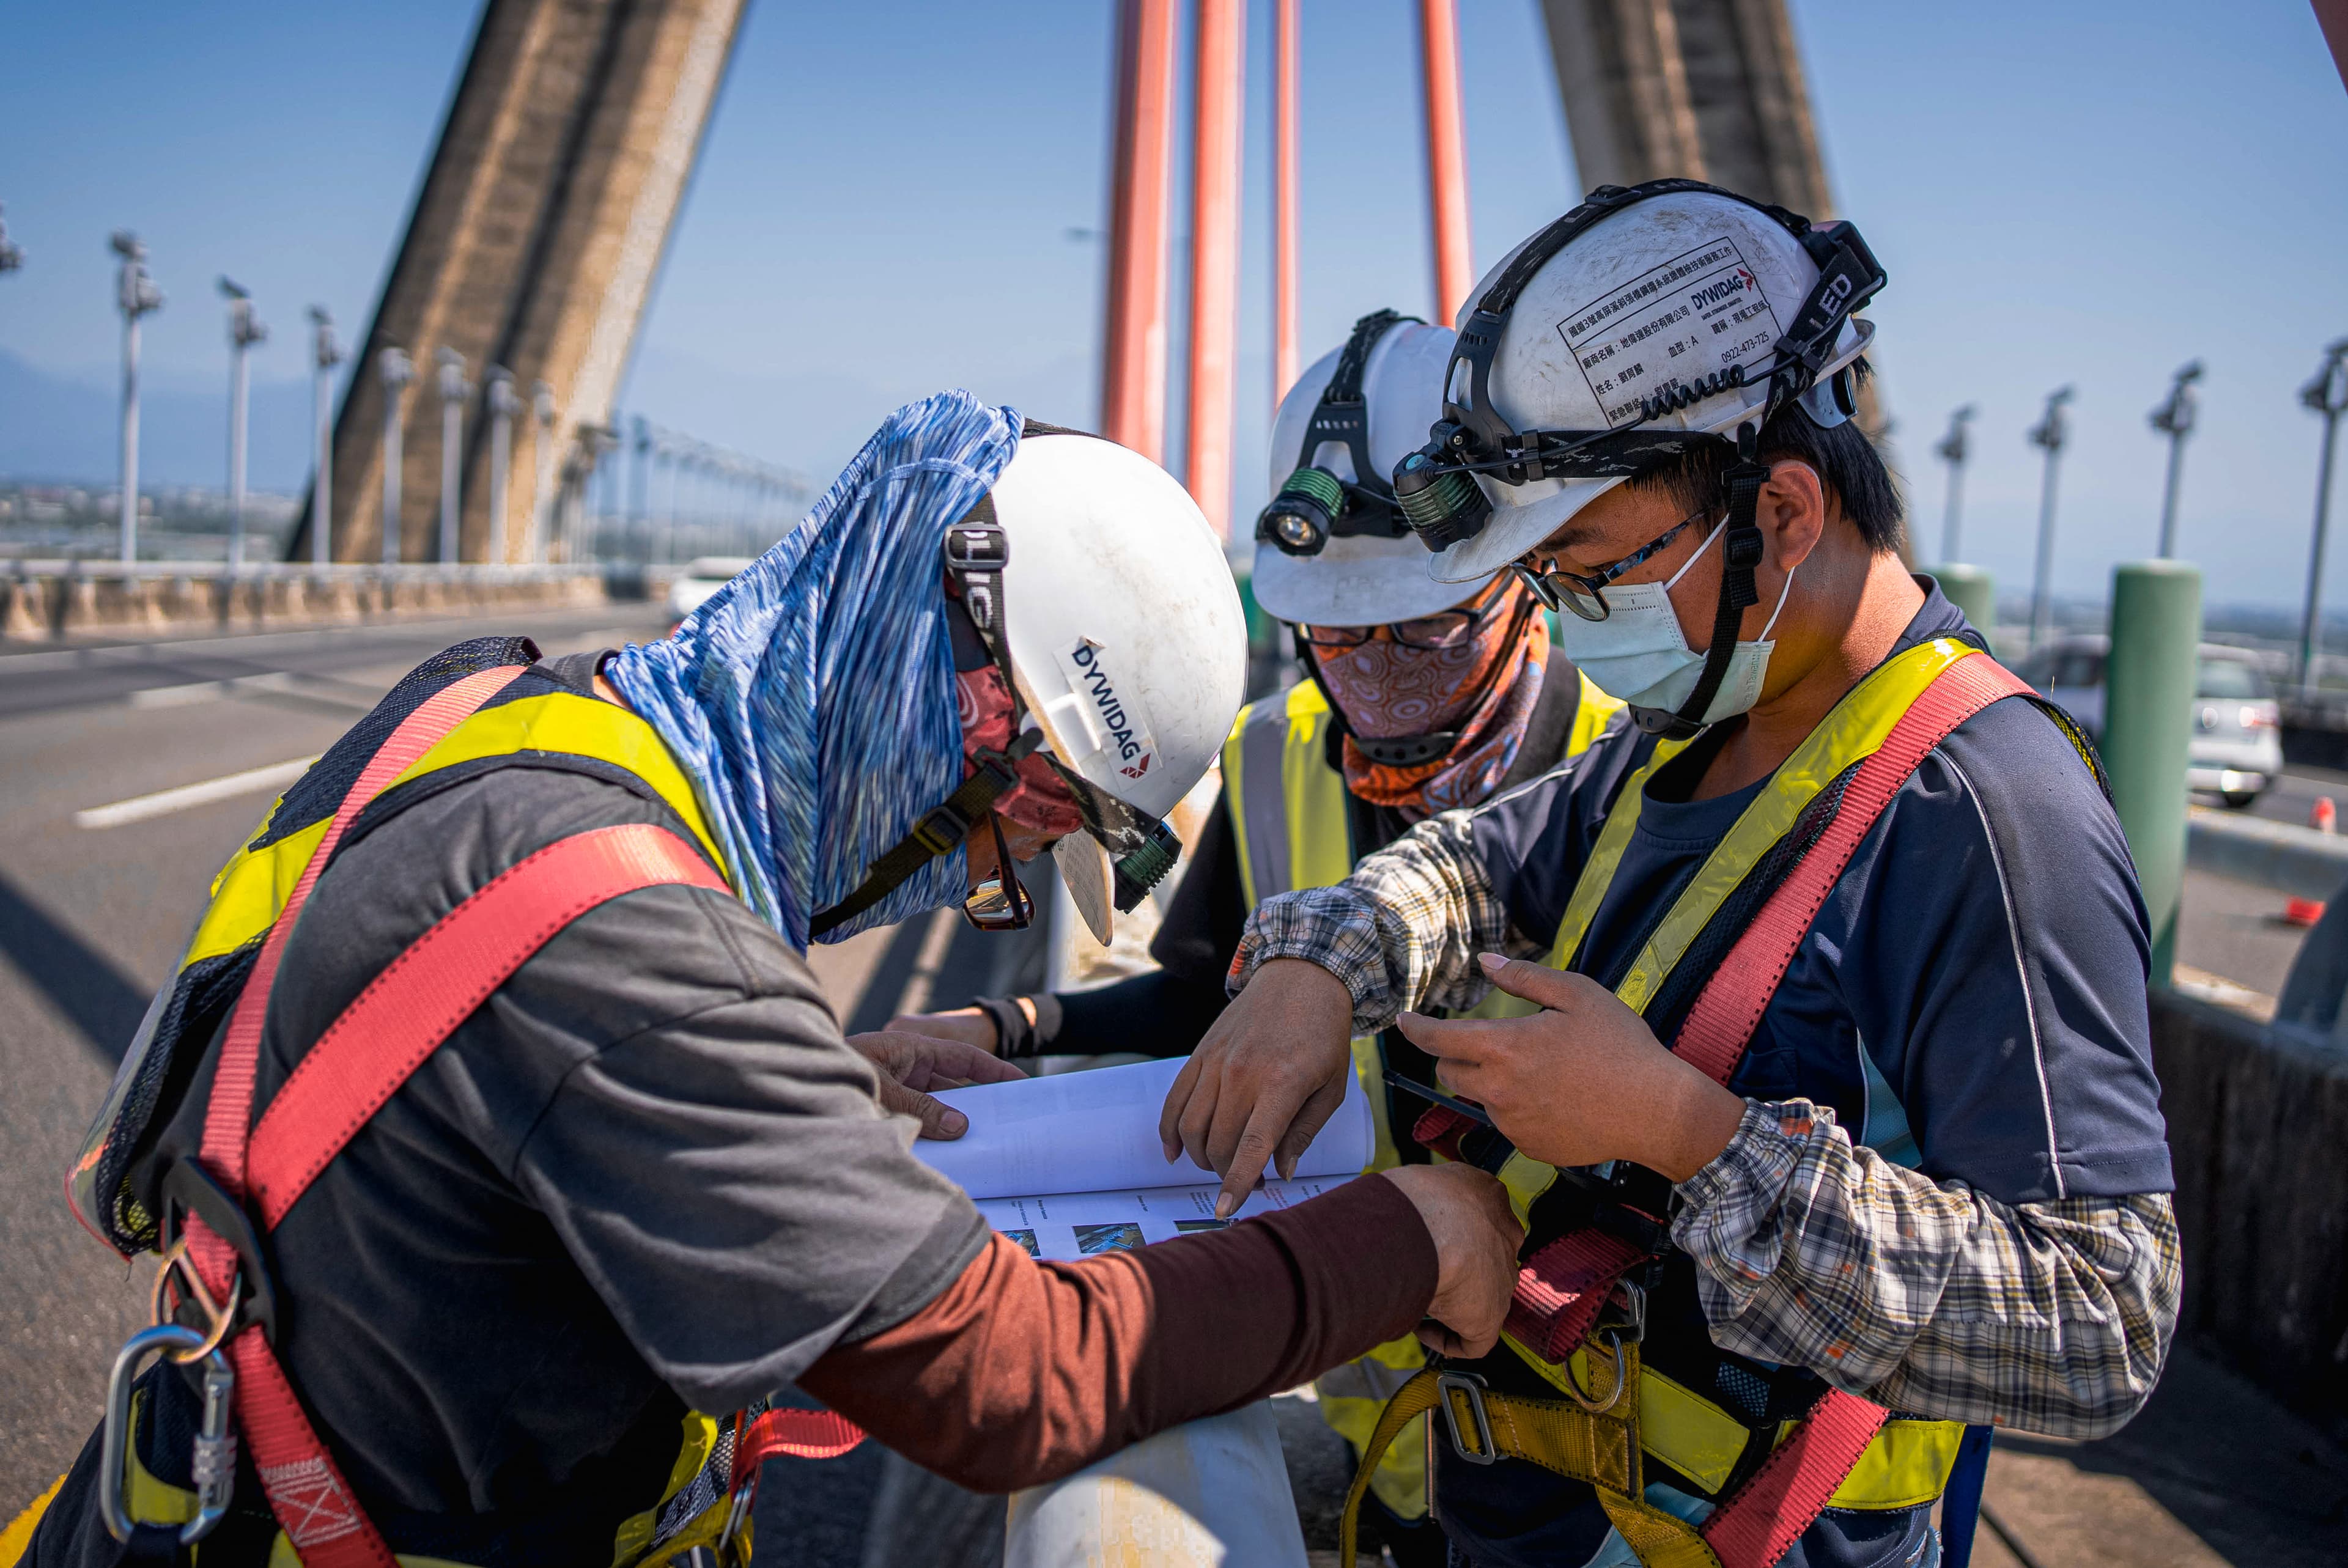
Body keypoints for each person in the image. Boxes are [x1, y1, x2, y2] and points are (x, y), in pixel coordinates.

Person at [27, 394, 1523, 1567]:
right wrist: (1408, 1231)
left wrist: (801, 1071)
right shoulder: (637, 955)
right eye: (1031, 822)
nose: (985, 883)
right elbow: (1018, 1376)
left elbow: (509, 1078)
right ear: (957, 690)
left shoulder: (522, 724)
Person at [1157, 185, 2180, 1568]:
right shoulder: (1694, 724)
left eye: (1589, 572)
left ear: (1783, 510)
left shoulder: (1987, 811)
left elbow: (2096, 1321)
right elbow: (1478, 859)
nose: (1577, 626)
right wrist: (1312, 964)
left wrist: (1688, 1131)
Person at [890, 311, 1622, 1561]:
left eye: (1427, 632)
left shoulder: (1620, 781)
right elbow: (1196, 994)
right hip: (1379, 1368)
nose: (1380, 680)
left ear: (1521, 580)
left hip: (1590, 1415)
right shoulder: (1281, 752)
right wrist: (1004, 1021)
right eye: (1341, 636)